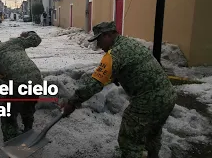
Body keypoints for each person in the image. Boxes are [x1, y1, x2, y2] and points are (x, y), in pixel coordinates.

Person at [61, 21, 177, 158]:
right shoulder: (129, 43)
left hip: (148, 101)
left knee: (129, 140)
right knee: (152, 133)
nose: (98, 45)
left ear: (108, 35)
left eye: (99, 40)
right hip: (168, 96)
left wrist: (72, 102)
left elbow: (94, 84)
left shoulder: (114, 54)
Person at [0, 31, 43, 142]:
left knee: (8, 115)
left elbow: (3, 76)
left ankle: (11, 141)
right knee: (28, 107)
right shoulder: (14, 42)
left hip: (18, 84)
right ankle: (28, 131)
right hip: (36, 79)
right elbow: (37, 39)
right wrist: (28, 33)